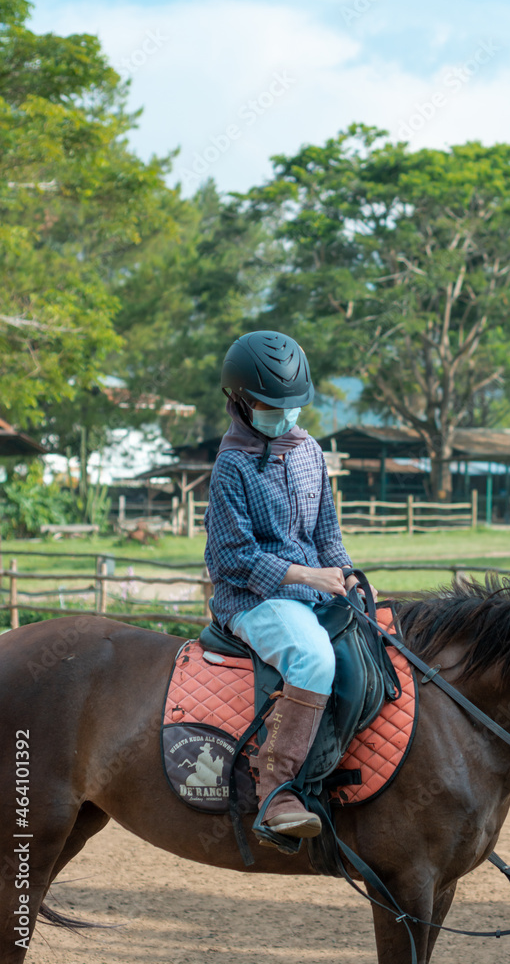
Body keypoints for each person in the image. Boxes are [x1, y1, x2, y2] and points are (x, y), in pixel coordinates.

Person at [204, 331, 377, 841]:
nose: (283, 414)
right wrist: (303, 576)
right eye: (269, 405)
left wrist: (347, 576)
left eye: (291, 405)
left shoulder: (309, 452)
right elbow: (230, 560)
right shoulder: (229, 466)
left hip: (315, 591)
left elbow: (327, 535)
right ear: (240, 401)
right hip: (252, 600)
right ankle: (276, 789)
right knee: (314, 659)